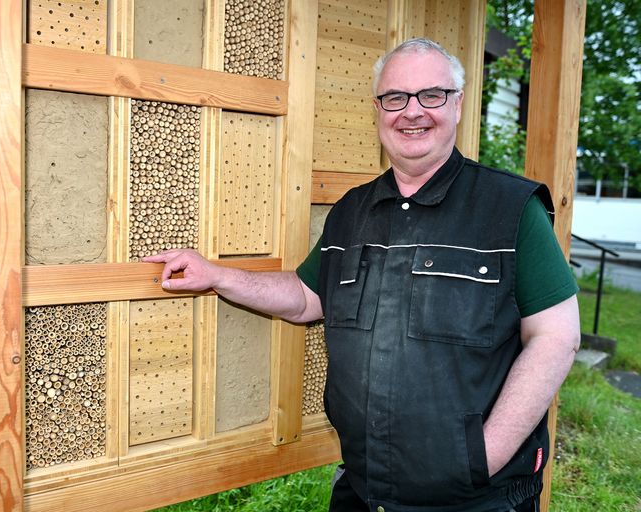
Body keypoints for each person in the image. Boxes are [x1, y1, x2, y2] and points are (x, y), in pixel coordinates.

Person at [144, 38, 580, 512]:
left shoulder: (510, 208)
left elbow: (556, 337)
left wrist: (485, 455)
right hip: (364, 488)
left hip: (475, 498)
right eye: (395, 98)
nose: (412, 112)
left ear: (457, 104)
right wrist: (219, 276)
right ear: (378, 110)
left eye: (431, 95)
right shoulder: (352, 211)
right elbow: (307, 297)